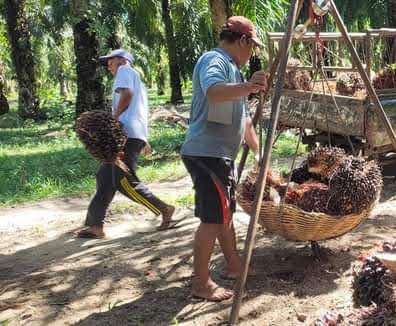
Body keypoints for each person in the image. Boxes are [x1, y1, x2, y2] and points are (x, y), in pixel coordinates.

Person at [180, 16, 265, 301]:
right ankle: (201, 283)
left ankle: (234, 266)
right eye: (251, 46)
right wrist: (250, 88)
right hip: (206, 153)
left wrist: (258, 152)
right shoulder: (214, 61)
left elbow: (243, 119)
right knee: (213, 220)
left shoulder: (234, 72)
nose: (250, 53)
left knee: (224, 214)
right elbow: (214, 93)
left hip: (218, 155)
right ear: (242, 40)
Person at [76, 49, 177, 239]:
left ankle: (163, 208)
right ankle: (95, 225)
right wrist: (143, 139)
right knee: (105, 177)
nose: (108, 66)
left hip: (126, 135)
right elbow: (138, 110)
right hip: (132, 134)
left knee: (122, 180)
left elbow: (127, 95)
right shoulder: (137, 79)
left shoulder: (125, 71)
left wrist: (113, 120)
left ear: (122, 60)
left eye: (110, 61)